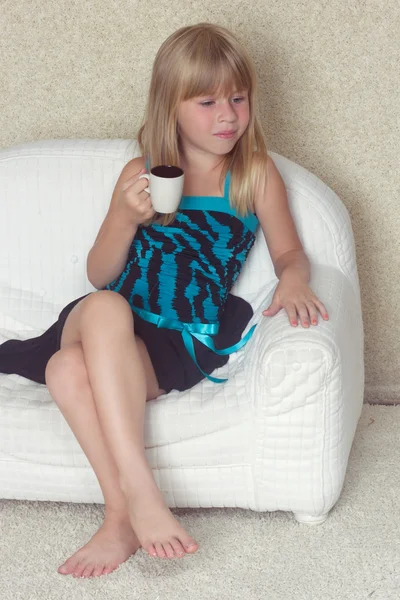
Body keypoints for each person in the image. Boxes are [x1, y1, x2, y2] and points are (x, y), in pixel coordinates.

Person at [0, 22, 329, 578]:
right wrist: (124, 217)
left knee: (64, 370)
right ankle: (140, 498)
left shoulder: (253, 175)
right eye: (207, 101)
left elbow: (289, 254)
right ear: (169, 107)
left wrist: (294, 278)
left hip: (177, 342)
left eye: (238, 98)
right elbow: (100, 274)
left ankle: (119, 516)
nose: (227, 114)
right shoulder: (141, 175)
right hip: (109, 319)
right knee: (106, 307)